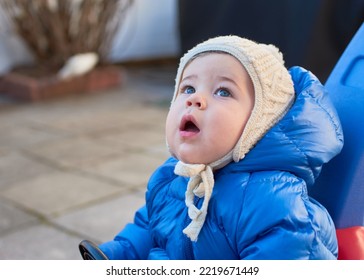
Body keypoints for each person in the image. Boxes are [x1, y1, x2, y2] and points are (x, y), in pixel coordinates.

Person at [81, 35, 343, 259]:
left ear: (261, 122)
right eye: (188, 87)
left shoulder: (276, 205)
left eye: (223, 92)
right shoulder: (173, 175)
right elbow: (149, 225)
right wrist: (117, 256)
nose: (195, 99)